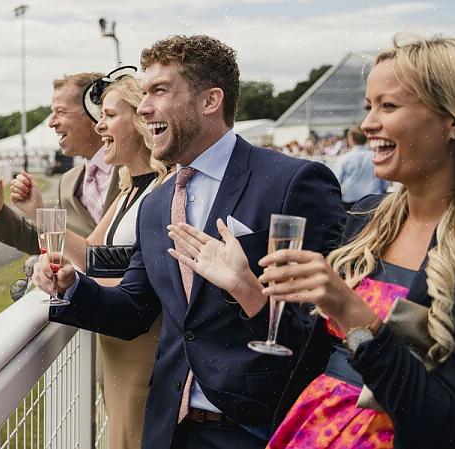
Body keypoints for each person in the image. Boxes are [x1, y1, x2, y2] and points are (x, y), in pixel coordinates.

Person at [168, 35, 455, 449]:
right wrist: (246, 287)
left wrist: (352, 312)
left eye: (388, 106)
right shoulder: (367, 219)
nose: (366, 125)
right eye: (368, 107)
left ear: (454, 120)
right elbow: (309, 354)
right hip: (309, 430)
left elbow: (450, 425)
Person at [31, 35, 346, 449]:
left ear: (210, 101)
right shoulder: (157, 203)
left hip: (257, 430)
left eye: (159, 92)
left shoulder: (294, 182)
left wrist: (247, 290)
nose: (145, 108)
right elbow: (133, 310)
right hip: (170, 429)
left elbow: (329, 329)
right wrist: (71, 286)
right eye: (143, 94)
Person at [55, 67, 170, 449]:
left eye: (108, 115)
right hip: (116, 350)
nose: (98, 125)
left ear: (140, 120)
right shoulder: (127, 191)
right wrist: (41, 221)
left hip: (144, 348)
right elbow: (92, 256)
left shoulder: (165, 188)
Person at [0, 72, 120, 255]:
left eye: (60, 112)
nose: (51, 123)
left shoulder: (137, 170)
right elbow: (48, 245)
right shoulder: (67, 182)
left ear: (95, 113)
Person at [333, 126, 390, 210]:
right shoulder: (376, 156)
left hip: (350, 204)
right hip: (374, 202)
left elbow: (336, 182)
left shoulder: (344, 158)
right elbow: (385, 183)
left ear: (351, 139)